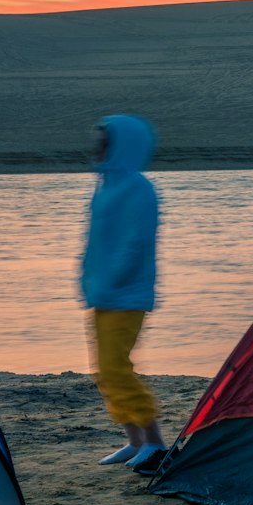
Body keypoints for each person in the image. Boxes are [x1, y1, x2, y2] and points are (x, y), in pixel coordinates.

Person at [80, 113, 166, 473]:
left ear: (119, 144)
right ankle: (133, 442)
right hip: (101, 292)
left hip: (126, 294)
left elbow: (135, 243)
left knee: (118, 368)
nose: (96, 148)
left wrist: (112, 280)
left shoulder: (139, 188)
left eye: (103, 142)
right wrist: (88, 279)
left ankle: (156, 443)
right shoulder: (106, 184)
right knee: (103, 370)